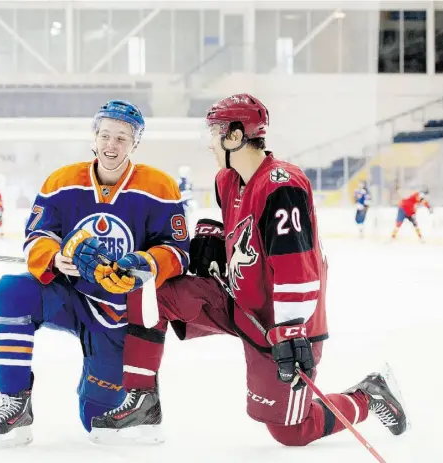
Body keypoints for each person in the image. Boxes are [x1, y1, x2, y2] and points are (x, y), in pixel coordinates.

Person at [91, 94, 409, 447]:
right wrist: (211, 240)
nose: (210, 142)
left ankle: (368, 396)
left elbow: (297, 267)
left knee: (291, 431)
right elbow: (236, 229)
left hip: (282, 322)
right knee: (150, 290)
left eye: (215, 132)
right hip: (239, 302)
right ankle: (143, 401)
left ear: (235, 135)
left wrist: (291, 331)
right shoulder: (227, 179)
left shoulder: (281, 184)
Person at [0, 100, 189, 449]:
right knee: (12, 291)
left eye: (122, 138)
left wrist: (144, 264)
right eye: (105, 135)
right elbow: (36, 237)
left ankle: (97, 378)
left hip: (118, 311)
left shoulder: (159, 186)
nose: (111, 145)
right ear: (94, 135)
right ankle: (15, 401)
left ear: (135, 142)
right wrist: (55, 257)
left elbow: (179, 251)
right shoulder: (62, 181)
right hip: (70, 295)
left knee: (96, 418)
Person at [178, 165, 197, 230]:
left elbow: (191, 192)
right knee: (184, 216)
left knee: (189, 216)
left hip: (188, 201)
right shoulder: (179, 182)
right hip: (182, 202)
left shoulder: (189, 182)